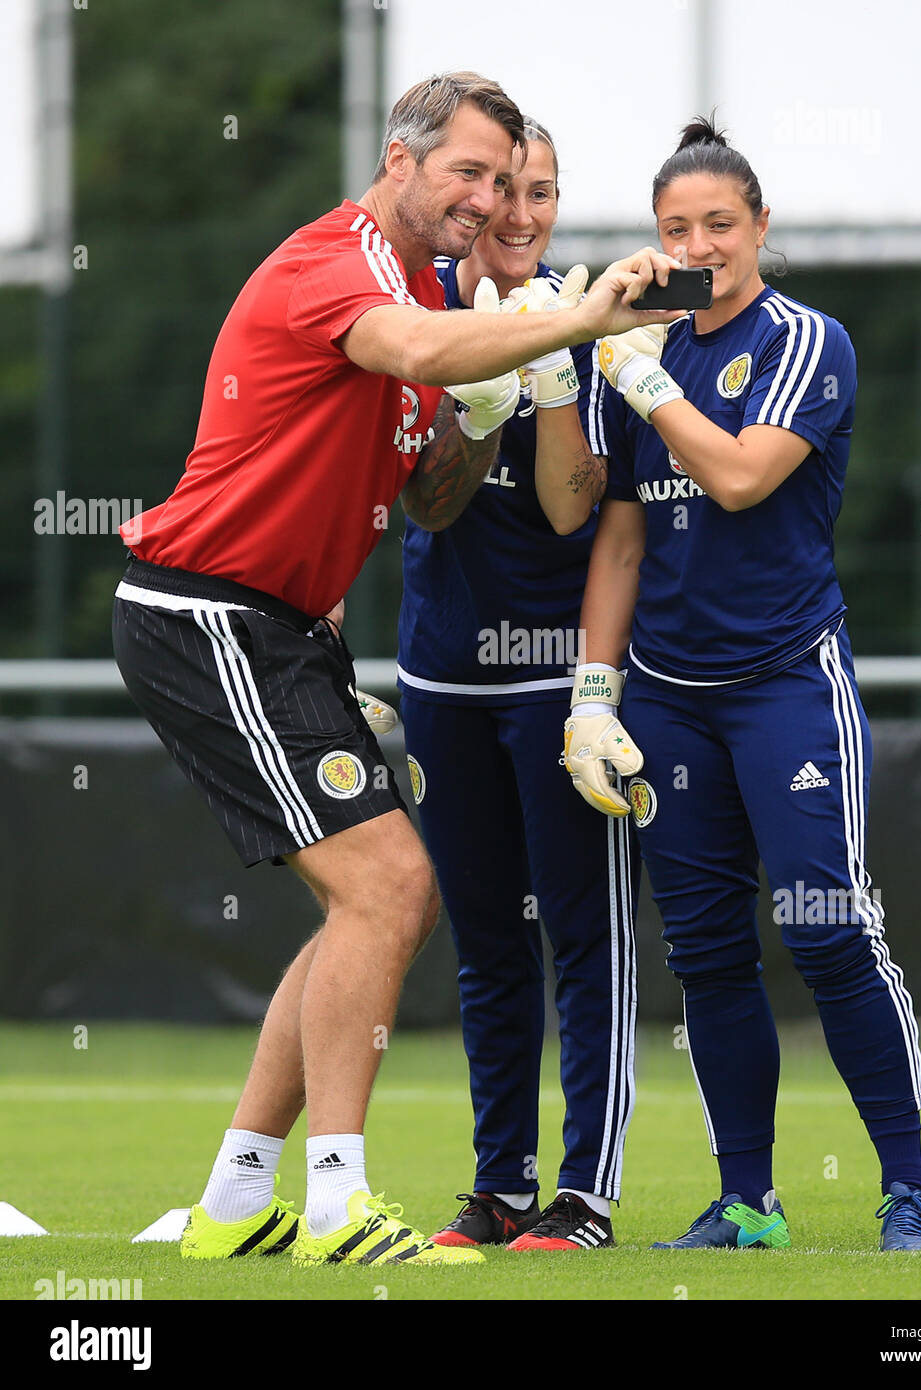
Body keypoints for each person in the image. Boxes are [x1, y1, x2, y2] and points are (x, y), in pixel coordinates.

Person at [111, 70, 681, 1271]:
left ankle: (236, 1199)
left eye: (507, 179)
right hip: (211, 613)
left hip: (278, 627)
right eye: (468, 172)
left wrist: (486, 410)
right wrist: (574, 324)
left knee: (363, 905)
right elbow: (415, 341)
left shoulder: (421, 289)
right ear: (400, 160)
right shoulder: (346, 259)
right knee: (391, 891)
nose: (486, 200)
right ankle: (337, 1207)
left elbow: (429, 498)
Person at [564, 115, 921, 1252]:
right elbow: (621, 541)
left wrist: (641, 385)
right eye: (677, 227)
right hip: (669, 694)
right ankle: (749, 1200)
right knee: (707, 951)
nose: (701, 244)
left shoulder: (803, 339)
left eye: (719, 223)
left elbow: (736, 477)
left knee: (828, 929)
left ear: (760, 226)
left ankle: (907, 1190)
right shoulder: (639, 349)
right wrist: (593, 692)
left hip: (785, 678)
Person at [397, 121, 639, 1254]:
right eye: (502, 191)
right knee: (487, 938)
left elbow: (565, 508)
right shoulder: (414, 309)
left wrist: (541, 373)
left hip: (553, 678)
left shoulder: (580, 318)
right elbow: (427, 500)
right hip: (444, 669)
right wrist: (473, 388)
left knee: (581, 935)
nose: (523, 214)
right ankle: (500, 1182)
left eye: (541, 191)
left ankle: (583, 1192)